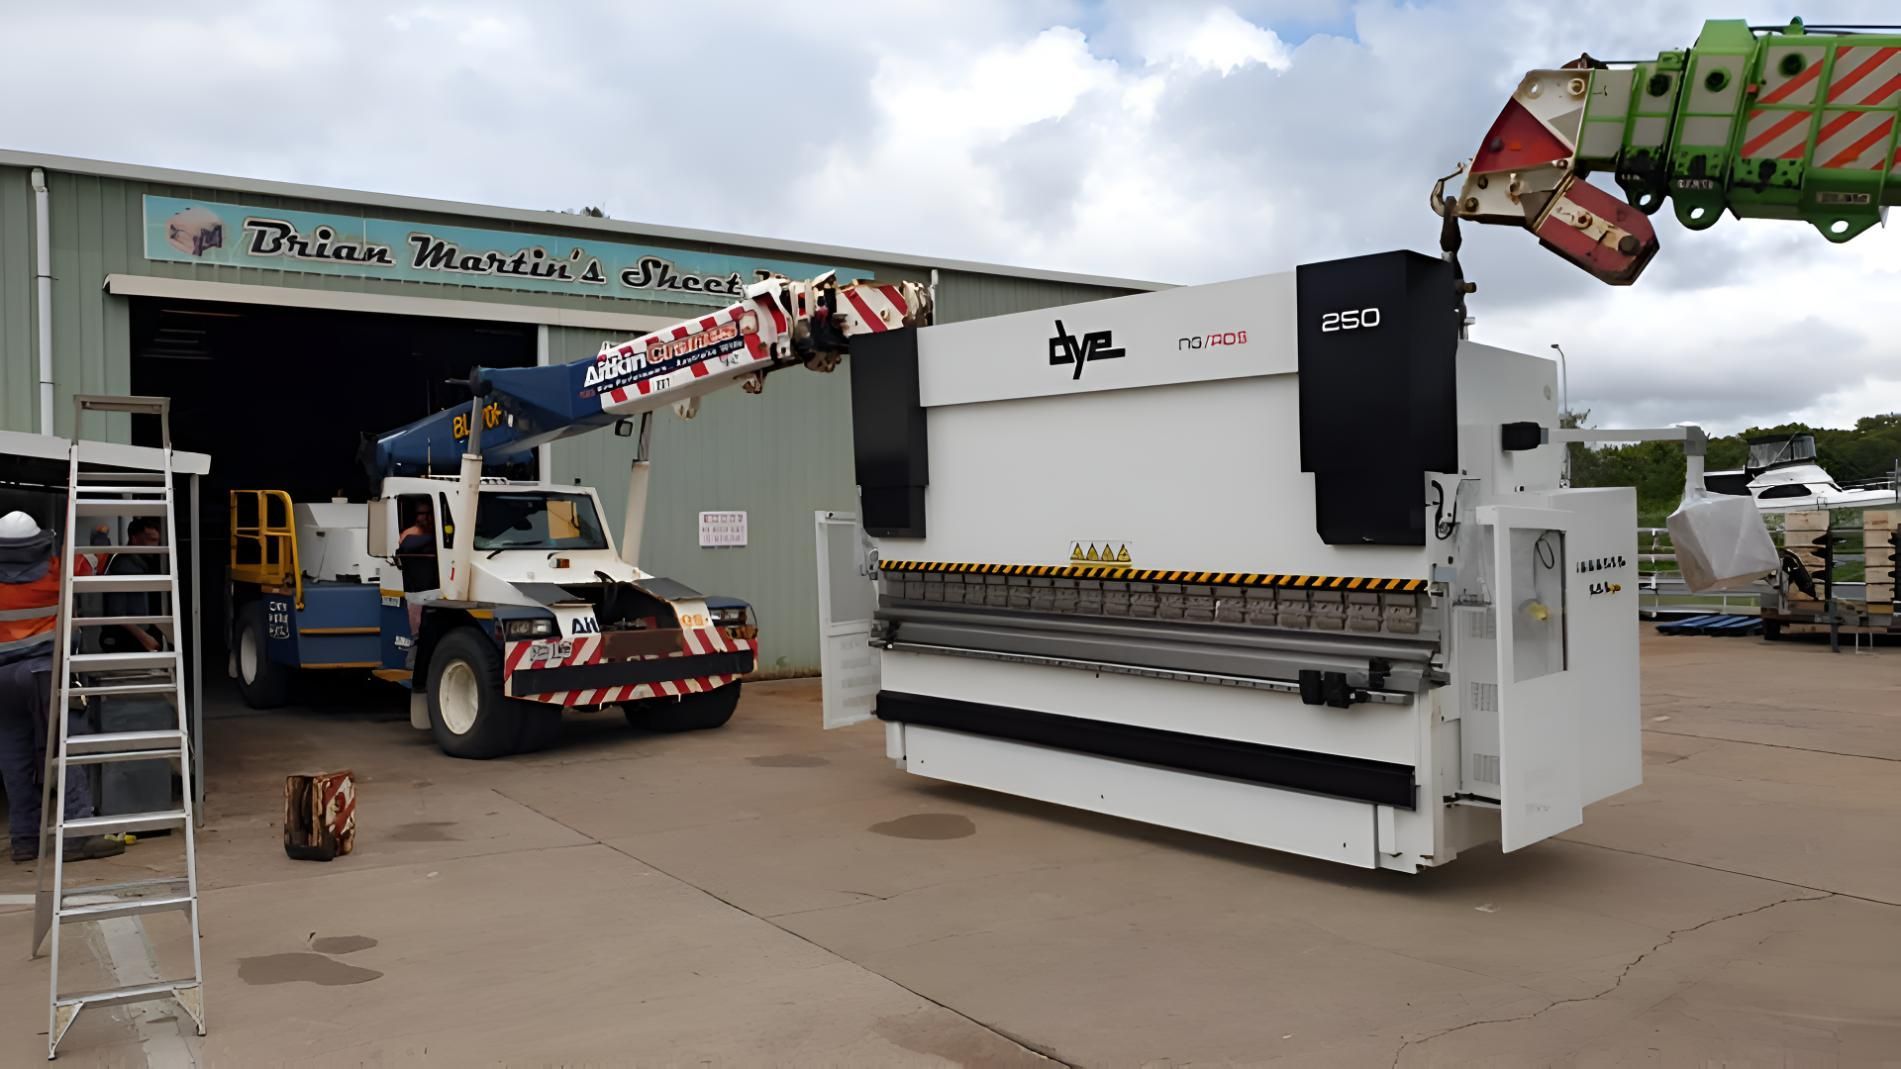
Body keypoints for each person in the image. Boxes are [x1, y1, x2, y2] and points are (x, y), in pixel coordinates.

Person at [0, 510, 123, 863]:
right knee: (69, 747)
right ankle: (78, 835)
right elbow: (95, 565)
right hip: (44, 672)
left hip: (3, 681)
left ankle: (24, 839)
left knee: (14, 757)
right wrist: (99, 535)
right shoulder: (57, 570)